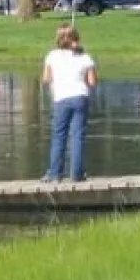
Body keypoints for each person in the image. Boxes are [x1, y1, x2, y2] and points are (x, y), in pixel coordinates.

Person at [42, 25, 98, 182]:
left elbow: (45, 79)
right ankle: (77, 174)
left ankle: (55, 174)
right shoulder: (85, 57)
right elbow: (92, 82)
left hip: (61, 99)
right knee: (78, 136)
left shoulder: (52, 56)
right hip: (80, 97)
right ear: (76, 38)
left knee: (59, 135)